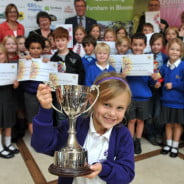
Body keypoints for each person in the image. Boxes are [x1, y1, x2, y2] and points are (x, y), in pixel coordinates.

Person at [31, 71, 135, 184]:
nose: (112, 113)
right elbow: (41, 145)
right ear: (92, 100)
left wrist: (104, 169)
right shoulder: (74, 126)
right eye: (106, 104)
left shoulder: (122, 135)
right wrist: (45, 110)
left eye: (120, 108)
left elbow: (127, 174)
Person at [124, 33, 155, 154]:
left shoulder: (149, 61)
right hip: (130, 96)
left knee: (140, 121)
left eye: (140, 45)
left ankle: (138, 141)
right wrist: (123, 75)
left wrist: (154, 78)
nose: (137, 47)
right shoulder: (127, 60)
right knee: (131, 120)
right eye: (135, 45)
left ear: (145, 46)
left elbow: (153, 81)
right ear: (131, 45)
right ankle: (130, 142)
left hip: (144, 96)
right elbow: (122, 79)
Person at [155, 38, 184, 158]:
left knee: (177, 124)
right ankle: (168, 144)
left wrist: (174, 85)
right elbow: (159, 77)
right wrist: (156, 81)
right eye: (172, 49)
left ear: (181, 52)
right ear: (167, 50)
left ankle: (175, 146)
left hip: (179, 102)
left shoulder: (182, 66)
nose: (174, 52)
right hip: (166, 101)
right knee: (167, 124)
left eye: (177, 50)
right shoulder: (165, 66)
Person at [144, 33, 168, 145]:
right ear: (150, 45)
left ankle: (158, 134)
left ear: (162, 45)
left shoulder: (165, 58)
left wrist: (160, 82)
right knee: (148, 114)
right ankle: (150, 134)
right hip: (148, 88)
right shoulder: (145, 56)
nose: (155, 46)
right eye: (153, 44)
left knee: (158, 114)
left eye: (158, 44)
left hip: (160, 90)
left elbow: (167, 74)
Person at [22, 33, 47, 134]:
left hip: (44, 93)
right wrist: (25, 63)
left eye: (38, 48)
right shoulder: (25, 61)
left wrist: (48, 63)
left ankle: (42, 138)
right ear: (28, 48)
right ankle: (34, 139)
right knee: (31, 118)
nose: (35, 50)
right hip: (30, 94)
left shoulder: (46, 61)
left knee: (44, 116)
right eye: (32, 48)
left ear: (42, 49)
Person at [0, 44, 19, 158]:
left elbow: (15, 86)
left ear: (5, 55)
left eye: (1, 54)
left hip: (9, 99)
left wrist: (16, 84)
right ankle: (0, 147)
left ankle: (8, 143)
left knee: (9, 123)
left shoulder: (10, 67)